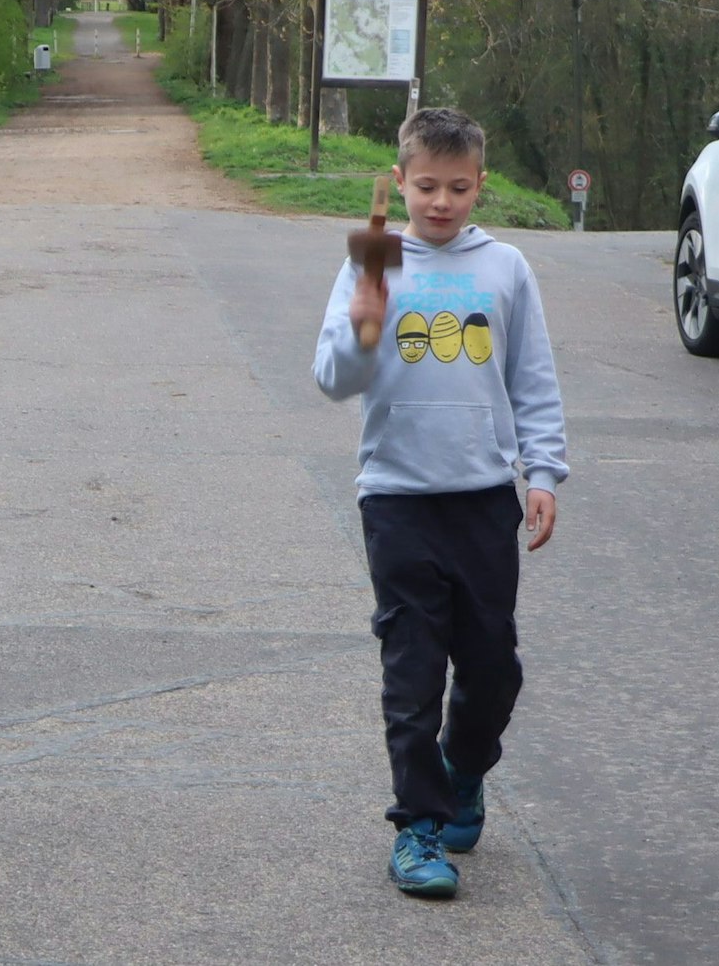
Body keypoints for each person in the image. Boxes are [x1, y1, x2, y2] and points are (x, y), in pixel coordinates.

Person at [312, 107, 567, 898]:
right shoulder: (373, 260)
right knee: (412, 669)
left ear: (479, 186)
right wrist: (360, 331)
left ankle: (464, 766)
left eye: (458, 187)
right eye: (426, 186)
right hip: (396, 498)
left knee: (491, 668)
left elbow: (532, 379)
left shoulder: (506, 268)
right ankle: (417, 828)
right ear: (399, 181)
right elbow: (332, 380)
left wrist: (542, 474)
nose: (441, 202)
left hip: (484, 496)